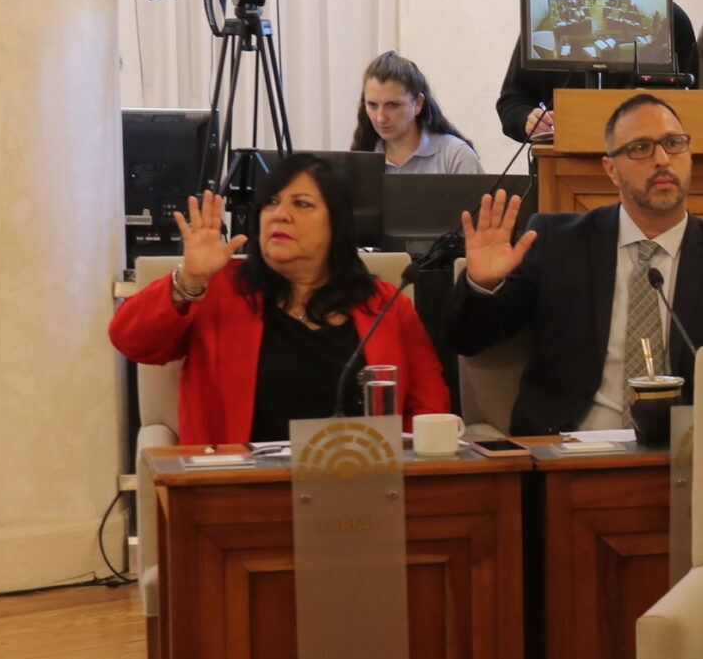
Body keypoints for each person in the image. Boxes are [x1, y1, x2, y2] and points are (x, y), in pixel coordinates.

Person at [446, 92, 703, 434]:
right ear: (611, 169)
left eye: (673, 144)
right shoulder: (556, 243)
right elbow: (468, 341)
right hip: (570, 448)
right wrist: (483, 286)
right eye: (640, 148)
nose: (662, 160)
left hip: (683, 450)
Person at [108, 151, 449, 444]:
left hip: (360, 485)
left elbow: (430, 405)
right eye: (271, 202)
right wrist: (189, 280)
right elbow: (130, 341)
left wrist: (399, 468)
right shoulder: (217, 290)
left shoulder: (386, 304)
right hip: (240, 488)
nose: (279, 214)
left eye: (301, 204)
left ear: (337, 224)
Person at [497, 0, 703, 145]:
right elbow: (511, 101)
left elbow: (691, 109)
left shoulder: (673, 22)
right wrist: (527, 119)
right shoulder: (544, 22)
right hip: (565, 158)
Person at [350, 51, 481, 173]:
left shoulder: (455, 156)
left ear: (418, 103)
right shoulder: (360, 160)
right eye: (372, 105)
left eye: (392, 105)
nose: (380, 118)